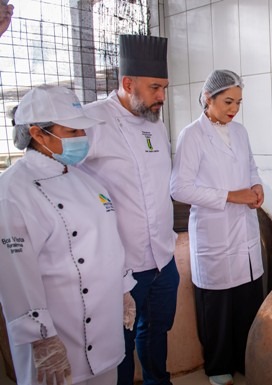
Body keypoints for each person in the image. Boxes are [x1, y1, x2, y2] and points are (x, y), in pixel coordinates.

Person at [0, 85, 136, 385]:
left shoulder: (88, 182)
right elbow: (15, 274)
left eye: (82, 132)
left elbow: (109, 242)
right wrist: (41, 337)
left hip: (104, 330)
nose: (82, 140)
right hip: (57, 336)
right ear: (38, 133)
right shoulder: (12, 191)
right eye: (72, 132)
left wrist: (124, 289)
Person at [77, 34, 179, 385]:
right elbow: (67, 182)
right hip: (120, 266)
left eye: (164, 88)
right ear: (127, 83)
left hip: (163, 260)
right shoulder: (91, 120)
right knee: (117, 347)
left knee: (156, 335)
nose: (161, 97)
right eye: (155, 88)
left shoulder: (155, 122)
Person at [170, 69, 265, 385]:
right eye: (227, 101)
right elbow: (179, 188)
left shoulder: (239, 132)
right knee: (218, 308)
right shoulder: (192, 135)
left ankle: (244, 358)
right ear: (207, 98)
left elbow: (250, 166)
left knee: (247, 301)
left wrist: (256, 185)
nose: (234, 109)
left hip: (244, 231)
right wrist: (230, 196)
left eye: (238, 102)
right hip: (215, 232)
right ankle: (218, 365)